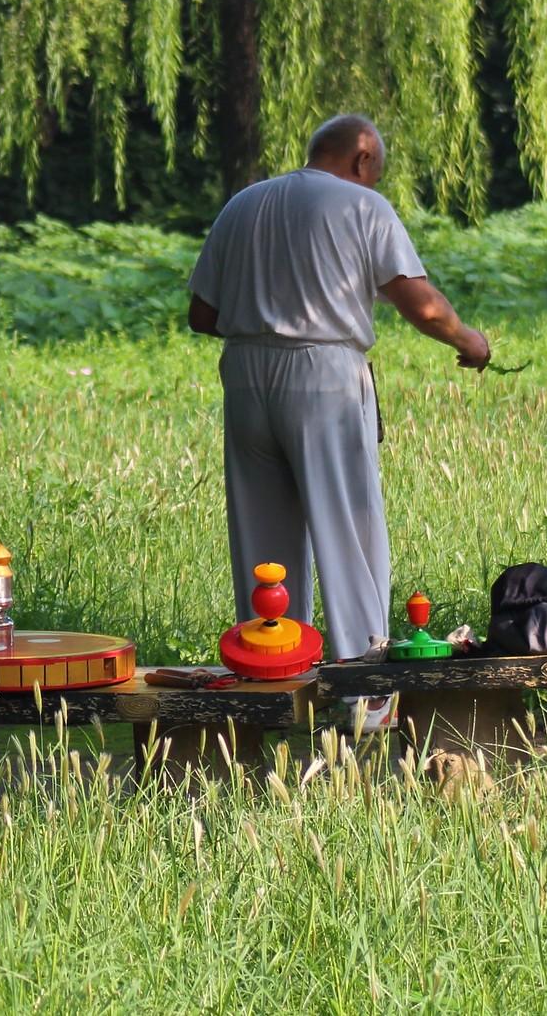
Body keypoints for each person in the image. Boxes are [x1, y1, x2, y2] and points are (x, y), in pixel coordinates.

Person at [187, 114, 491, 693]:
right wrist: (471, 341)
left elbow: (202, 315)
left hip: (246, 375)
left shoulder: (242, 206)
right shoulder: (362, 206)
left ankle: (271, 681)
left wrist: (266, 310)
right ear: (362, 160)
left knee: (263, 545)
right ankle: (363, 688)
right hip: (323, 373)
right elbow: (421, 305)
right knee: (348, 528)